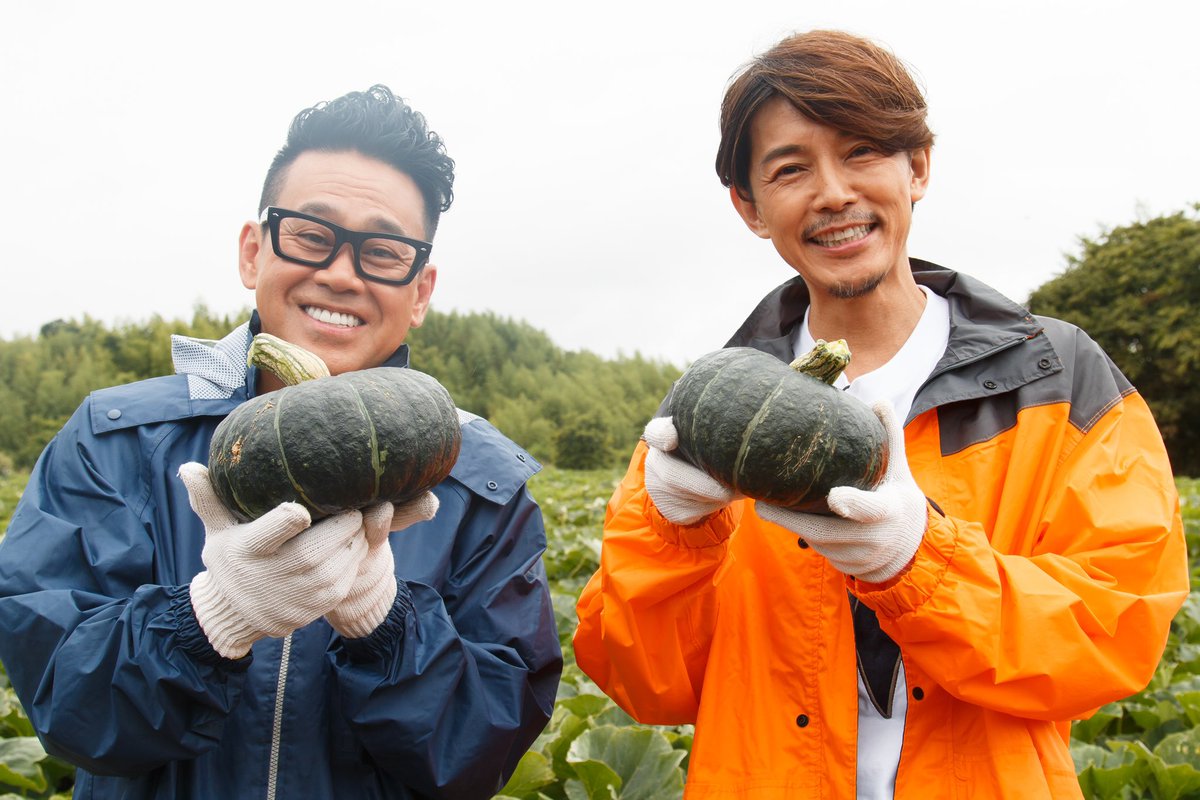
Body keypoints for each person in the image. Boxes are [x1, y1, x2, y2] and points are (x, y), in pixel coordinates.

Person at [573, 29, 1189, 799]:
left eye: (862, 151)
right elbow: (648, 684)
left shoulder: (1059, 379)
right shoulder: (704, 418)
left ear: (917, 167)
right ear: (750, 207)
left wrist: (919, 561)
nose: (833, 193)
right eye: (791, 168)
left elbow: (1117, 631)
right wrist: (672, 537)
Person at [0, 85, 562, 799]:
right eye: (309, 234)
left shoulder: (480, 483)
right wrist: (210, 620)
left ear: (420, 292)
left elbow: (484, 754)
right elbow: (65, 703)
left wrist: (386, 629)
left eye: (382, 251)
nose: (339, 273)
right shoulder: (114, 440)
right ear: (252, 251)